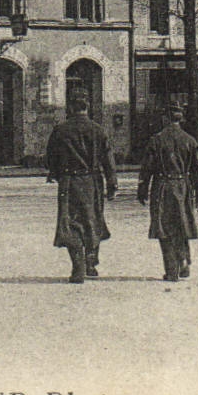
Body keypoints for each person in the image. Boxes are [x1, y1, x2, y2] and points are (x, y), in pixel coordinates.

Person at [44, 94, 119, 283]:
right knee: (93, 219)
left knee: (71, 222)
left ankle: (77, 266)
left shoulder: (60, 131)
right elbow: (108, 160)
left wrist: (54, 172)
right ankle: (91, 262)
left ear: (70, 108)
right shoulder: (98, 130)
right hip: (92, 181)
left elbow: (50, 157)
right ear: (88, 107)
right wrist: (112, 183)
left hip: (69, 181)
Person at [136, 104, 198, 282]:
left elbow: (147, 168)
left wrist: (142, 189)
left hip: (162, 187)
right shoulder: (190, 140)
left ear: (165, 118)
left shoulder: (156, 140)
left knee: (164, 227)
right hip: (183, 187)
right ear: (180, 118)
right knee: (182, 224)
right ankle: (183, 262)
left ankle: (171, 269)